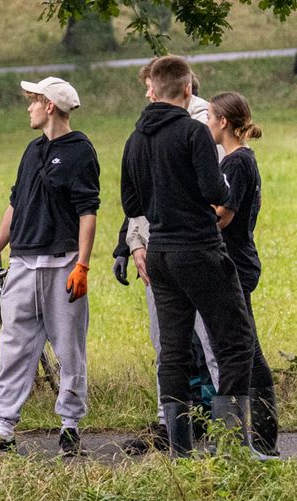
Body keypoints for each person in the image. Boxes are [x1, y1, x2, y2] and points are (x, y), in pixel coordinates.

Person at [120, 55, 259, 457]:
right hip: (199, 248)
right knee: (235, 342)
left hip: (160, 253)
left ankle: (180, 449)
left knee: (174, 349)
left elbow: (131, 200)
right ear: (186, 89)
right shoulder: (193, 133)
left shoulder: (134, 140)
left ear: (153, 88)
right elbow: (216, 191)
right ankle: (232, 445)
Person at [0, 77, 99, 456]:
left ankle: (70, 426)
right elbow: (15, 206)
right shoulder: (31, 151)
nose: (28, 107)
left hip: (62, 264)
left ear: (49, 105)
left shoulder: (80, 151)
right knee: (14, 346)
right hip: (23, 264)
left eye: (32, 101)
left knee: (69, 348)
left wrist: (82, 265)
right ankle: (3, 428)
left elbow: (88, 211)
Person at [114, 63, 218, 454]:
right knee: (169, 345)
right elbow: (140, 199)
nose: (146, 95)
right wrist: (133, 244)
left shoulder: (206, 125)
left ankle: (226, 430)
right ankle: (171, 426)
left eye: (149, 87)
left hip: (193, 245)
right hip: (162, 248)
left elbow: (215, 195)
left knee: (214, 340)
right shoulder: (145, 132)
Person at [206, 91, 278, 456]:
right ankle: (263, 437)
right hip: (241, 260)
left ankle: (262, 438)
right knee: (247, 348)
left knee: (244, 350)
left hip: (236, 263)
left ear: (223, 122)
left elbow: (224, 214)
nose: (206, 123)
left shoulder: (235, 163)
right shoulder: (240, 161)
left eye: (209, 117)